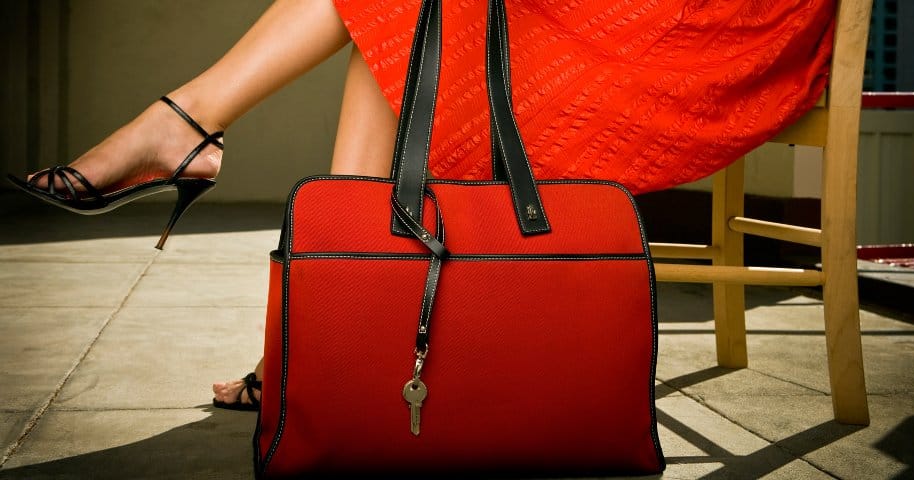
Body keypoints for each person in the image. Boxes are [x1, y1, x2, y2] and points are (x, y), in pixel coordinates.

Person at [8, 0, 836, 409]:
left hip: (716, 28)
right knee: (408, 12)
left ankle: (310, 318)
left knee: (404, 10)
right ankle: (322, 332)